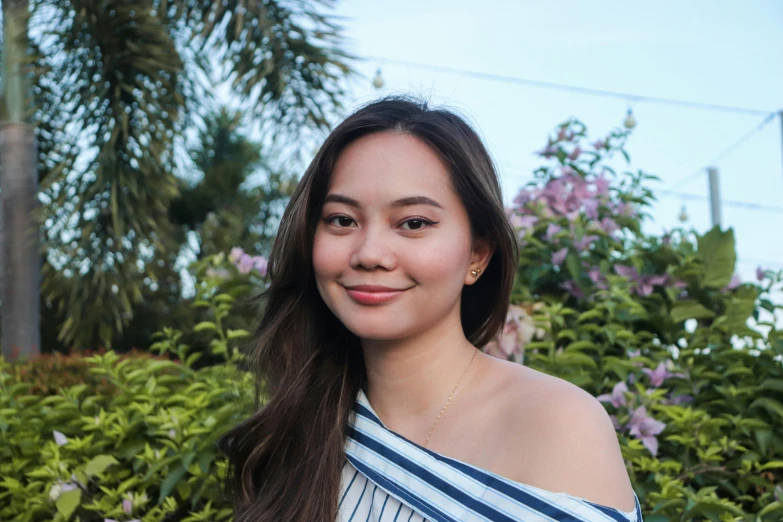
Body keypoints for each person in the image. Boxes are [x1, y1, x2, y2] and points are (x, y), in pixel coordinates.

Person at [218, 96, 644, 522]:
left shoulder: (558, 423)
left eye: (414, 223)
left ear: (478, 254)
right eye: (342, 220)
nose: (370, 254)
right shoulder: (302, 426)